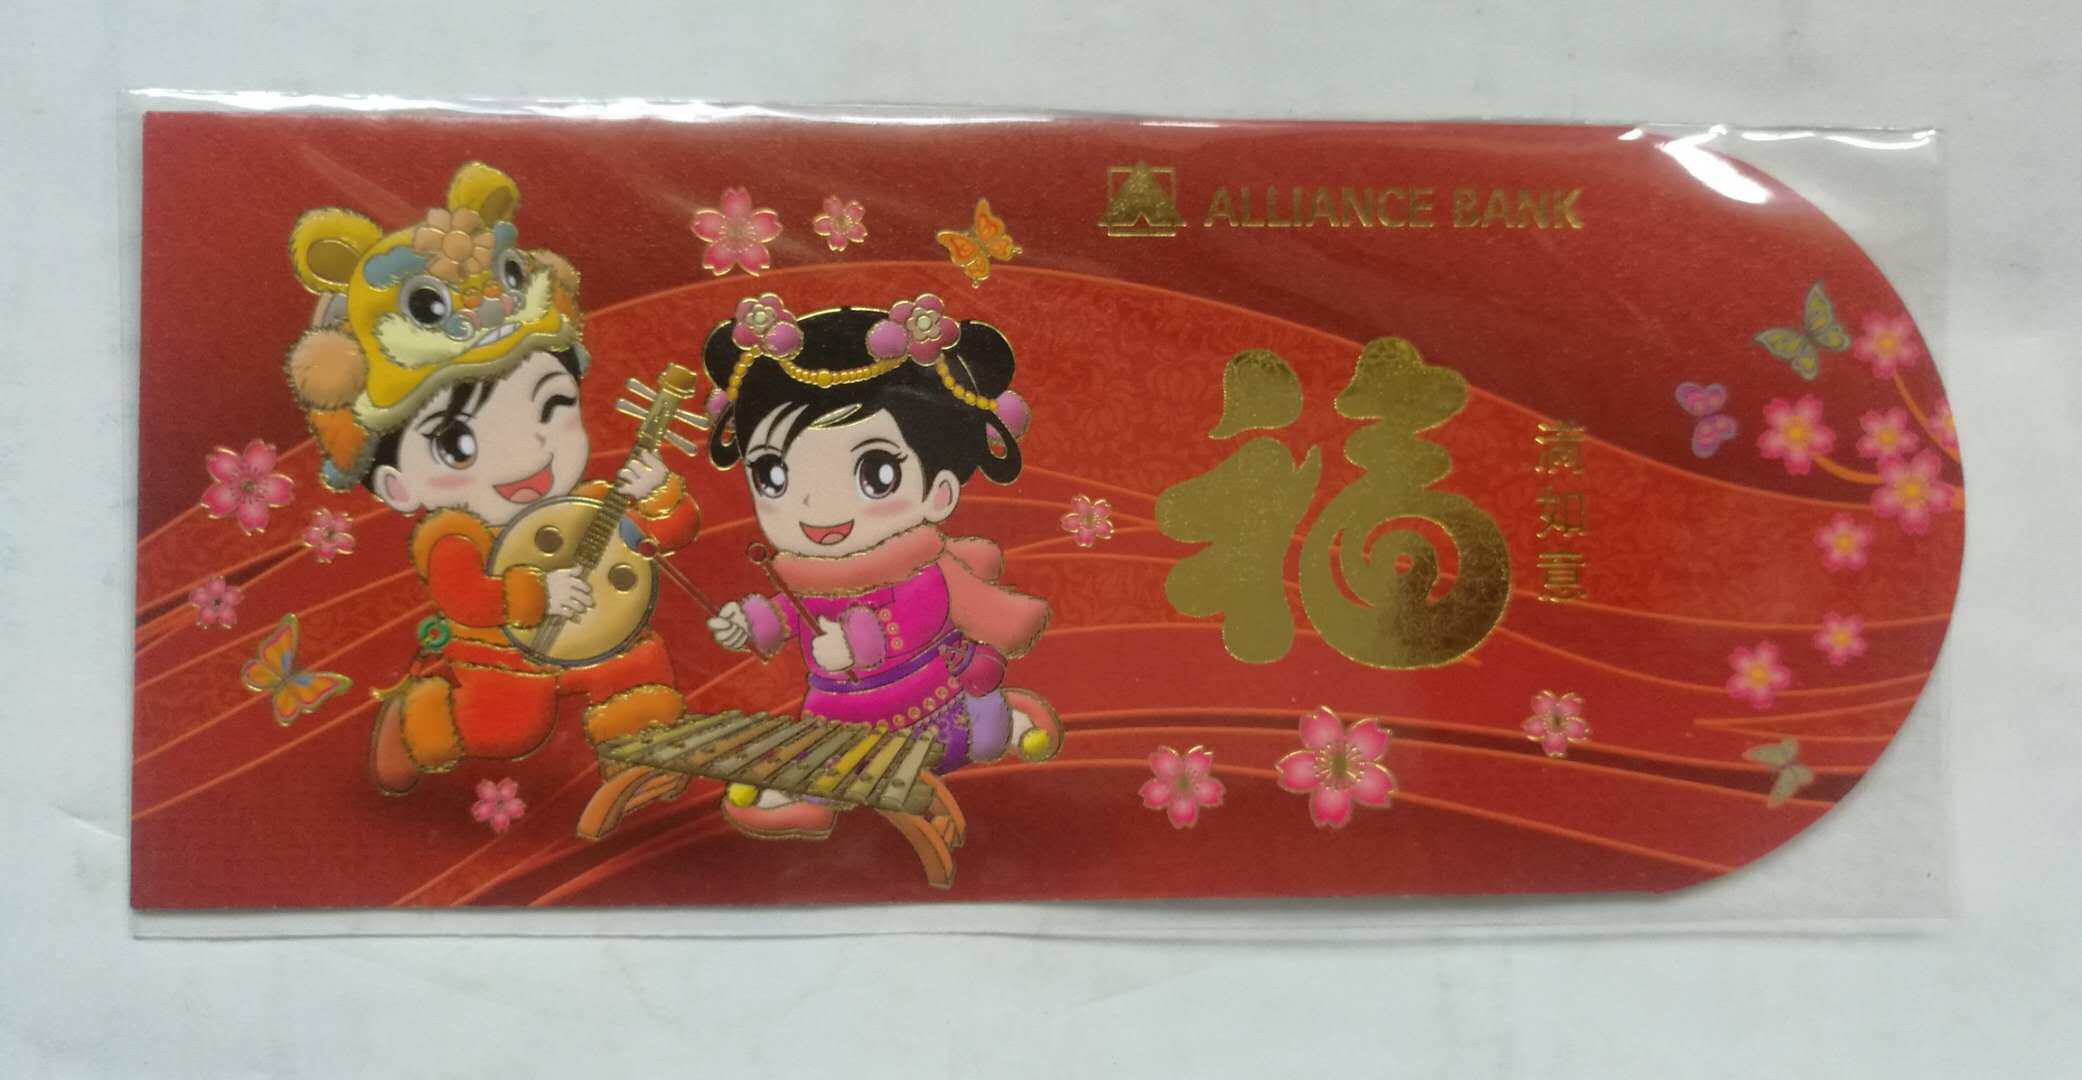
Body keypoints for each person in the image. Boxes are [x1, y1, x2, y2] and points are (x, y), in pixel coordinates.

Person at [281, 162, 697, 800]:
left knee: (639, 671)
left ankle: (643, 762)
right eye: (459, 443)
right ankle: (421, 720)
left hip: (600, 638)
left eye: (552, 407)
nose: (527, 452)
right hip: (503, 659)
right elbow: (467, 597)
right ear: (396, 486)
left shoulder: (590, 504)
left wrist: (659, 493)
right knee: (504, 726)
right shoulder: (454, 532)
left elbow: (663, 536)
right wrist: (536, 593)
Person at [701, 293, 1061, 839]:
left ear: (939, 493)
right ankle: (812, 790)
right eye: (774, 476)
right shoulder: (805, 580)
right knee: (835, 756)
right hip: (833, 717)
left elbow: (916, 618)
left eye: (875, 473)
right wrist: (749, 624)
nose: (817, 509)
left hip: (922, 712)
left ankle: (1000, 718)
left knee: (927, 752)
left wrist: (857, 645)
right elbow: (786, 614)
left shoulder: (924, 574)